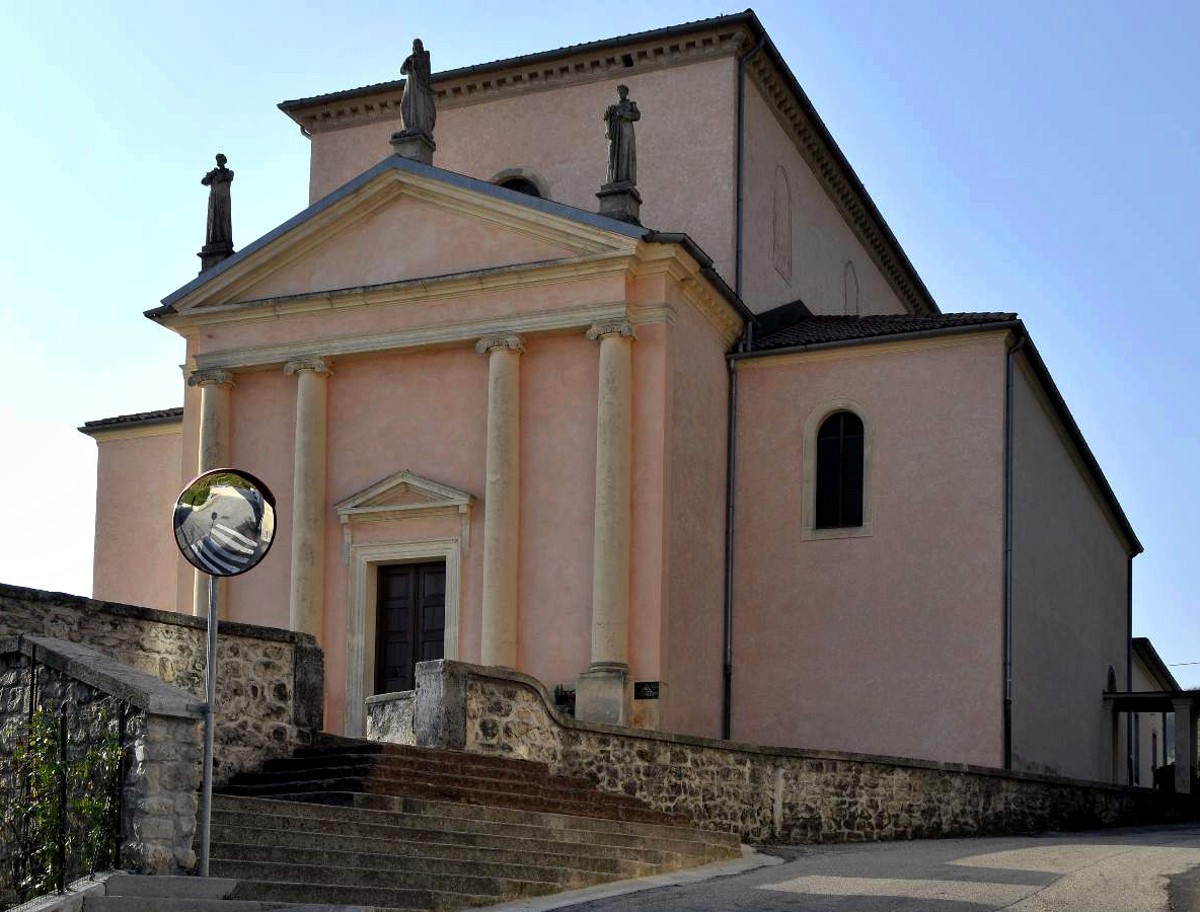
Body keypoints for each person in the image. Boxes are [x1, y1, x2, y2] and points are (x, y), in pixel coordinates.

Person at [604, 85, 640, 186]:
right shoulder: (613, 107)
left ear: (626, 93)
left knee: (625, 152)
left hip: (626, 131)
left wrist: (625, 115)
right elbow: (606, 118)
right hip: (615, 132)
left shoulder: (631, 104)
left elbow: (637, 115)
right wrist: (607, 129)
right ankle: (613, 178)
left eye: (623, 91)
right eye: (619, 91)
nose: (621, 93)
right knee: (613, 154)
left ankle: (624, 178)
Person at [401, 39, 436, 137]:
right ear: (413, 48)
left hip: (422, 87)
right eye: (416, 46)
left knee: (422, 106)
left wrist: (414, 62)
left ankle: (422, 127)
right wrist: (408, 62)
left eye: (419, 45)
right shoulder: (411, 58)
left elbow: (424, 67)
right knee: (407, 105)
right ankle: (411, 126)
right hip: (411, 87)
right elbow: (402, 70)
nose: (418, 48)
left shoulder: (425, 56)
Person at [201, 154, 233, 248]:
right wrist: (211, 175)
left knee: (224, 218)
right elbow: (203, 182)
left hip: (223, 199)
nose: (218, 162)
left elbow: (225, 177)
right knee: (213, 219)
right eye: (217, 160)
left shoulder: (229, 172)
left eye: (220, 160)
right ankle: (213, 241)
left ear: (223, 161)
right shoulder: (213, 174)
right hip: (214, 199)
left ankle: (224, 240)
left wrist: (216, 174)